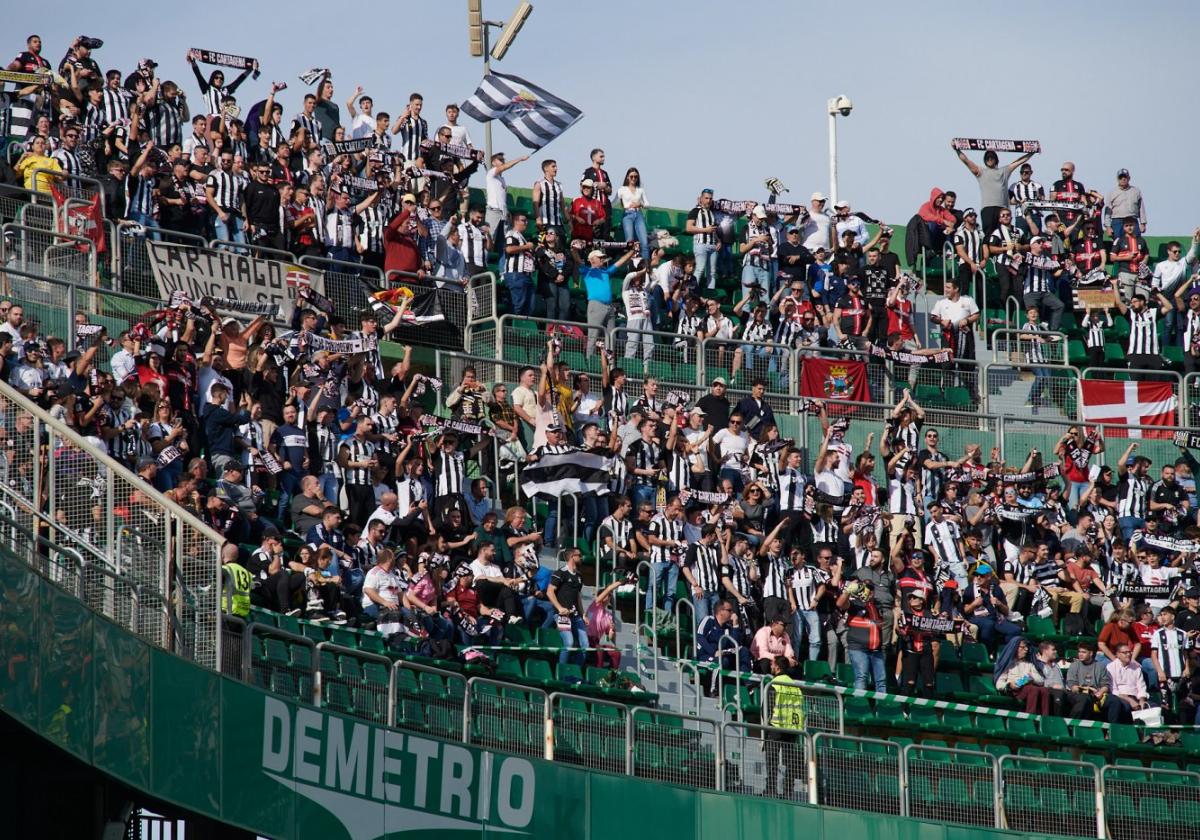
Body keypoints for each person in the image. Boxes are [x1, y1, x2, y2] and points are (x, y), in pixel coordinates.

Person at [952, 141, 1036, 233]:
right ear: (985, 160)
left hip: (1002, 209)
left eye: (992, 157)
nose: (990, 159)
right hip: (988, 208)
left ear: (996, 159)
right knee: (988, 235)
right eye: (988, 158)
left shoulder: (1004, 171)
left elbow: (1019, 161)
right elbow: (966, 161)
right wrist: (957, 150)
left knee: (1004, 234)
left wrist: (1032, 152)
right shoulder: (980, 171)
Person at [763, 655, 805, 799]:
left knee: (772, 761)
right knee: (790, 761)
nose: (771, 667)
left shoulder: (773, 684)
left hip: (776, 726)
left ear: (778, 667)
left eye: (773, 665)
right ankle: (788, 791)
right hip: (792, 728)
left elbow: (766, 709)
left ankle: (771, 790)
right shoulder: (795, 686)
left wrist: (765, 729)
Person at [581, 244, 637, 352]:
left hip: (609, 306)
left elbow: (620, 262)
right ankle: (588, 365)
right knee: (593, 335)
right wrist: (574, 249)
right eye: (600, 257)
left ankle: (609, 363)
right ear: (592, 260)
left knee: (611, 337)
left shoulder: (605, 271)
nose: (602, 259)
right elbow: (577, 260)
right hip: (596, 305)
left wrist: (632, 251)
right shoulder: (587, 271)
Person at [547, 547, 588, 665]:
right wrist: (559, 608)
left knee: (585, 645)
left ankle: (576, 670)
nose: (581, 557)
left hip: (576, 616)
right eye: (579, 555)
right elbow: (550, 592)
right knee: (569, 642)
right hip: (562, 616)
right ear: (571, 557)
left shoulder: (579, 576)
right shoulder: (560, 573)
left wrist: (583, 614)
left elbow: (578, 597)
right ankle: (562, 669)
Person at [994, 637, 1050, 715]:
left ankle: (1045, 717)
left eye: (1027, 647)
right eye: (1023, 647)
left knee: (1045, 690)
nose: (1026, 649)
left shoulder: (1029, 664)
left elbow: (1041, 680)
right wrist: (1009, 685)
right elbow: (999, 683)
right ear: (1015, 648)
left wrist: (1032, 678)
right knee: (1033, 689)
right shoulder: (1008, 664)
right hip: (1015, 690)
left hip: (1028, 687)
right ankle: (1030, 717)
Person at [1105, 643, 1149, 723]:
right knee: (1126, 707)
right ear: (1118, 654)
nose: (1128, 654)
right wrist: (1129, 700)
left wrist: (1142, 700)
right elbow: (1113, 690)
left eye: (1130, 652)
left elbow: (1141, 686)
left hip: (1136, 696)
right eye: (1125, 653)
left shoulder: (1136, 667)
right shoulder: (1111, 667)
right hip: (1121, 697)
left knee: (1153, 707)